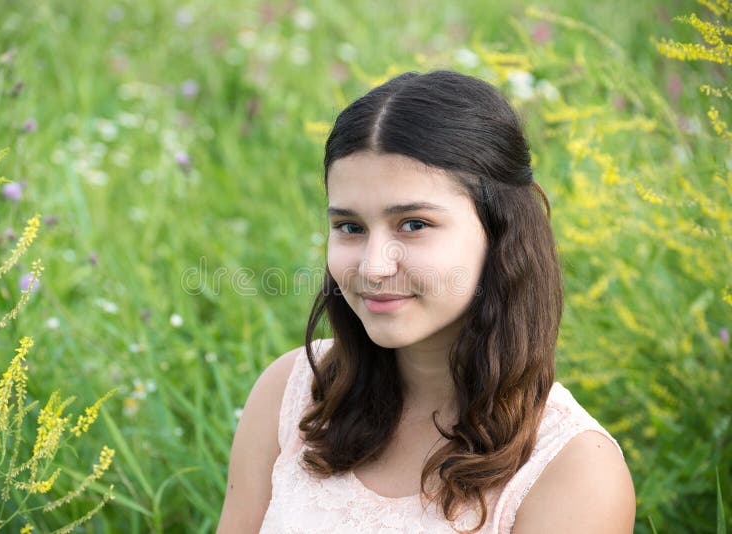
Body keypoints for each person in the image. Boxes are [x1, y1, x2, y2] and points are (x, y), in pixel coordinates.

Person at [217, 69, 636, 533]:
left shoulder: (573, 470)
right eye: (350, 227)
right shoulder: (293, 394)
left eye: (413, 224)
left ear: (501, 234)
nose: (374, 267)